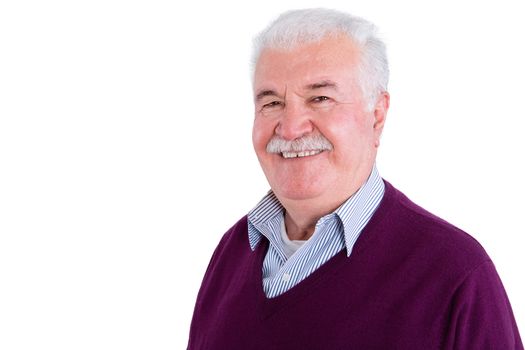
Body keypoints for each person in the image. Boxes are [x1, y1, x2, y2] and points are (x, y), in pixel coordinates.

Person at [187, 8, 523, 349]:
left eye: (320, 98)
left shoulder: (455, 275)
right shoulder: (231, 254)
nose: (290, 128)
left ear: (376, 116)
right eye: (272, 102)